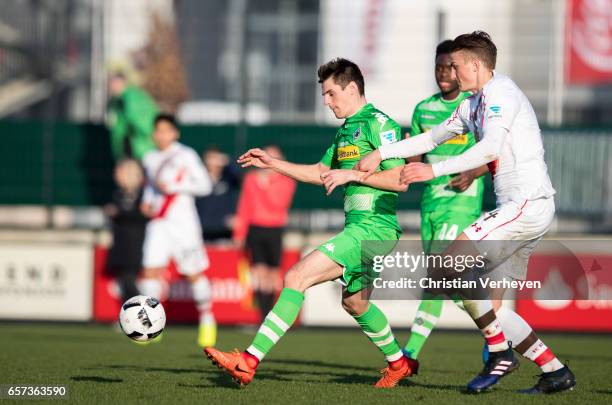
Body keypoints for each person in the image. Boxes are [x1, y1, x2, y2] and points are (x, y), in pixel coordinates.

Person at [356, 31, 576, 394]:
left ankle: (498, 353)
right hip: (521, 209)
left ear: (475, 65)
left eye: (456, 66)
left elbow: (490, 147)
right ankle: (555, 371)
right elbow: (430, 139)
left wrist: (433, 170)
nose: (451, 73)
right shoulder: (472, 103)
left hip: (525, 205)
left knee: (445, 266)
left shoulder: (500, 94)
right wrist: (382, 153)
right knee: (491, 308)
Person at [205, 58, 417, 388]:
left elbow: (401, 179)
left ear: (352, 88)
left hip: (374, 227)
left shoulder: (379, 123)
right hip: (361, 229)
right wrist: (273, 163)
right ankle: (399, 362)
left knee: (296, 276)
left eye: (331, 93)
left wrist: (353, 174)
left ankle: (247, 361)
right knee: (355, 303)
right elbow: (320, 172)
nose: (326, 101)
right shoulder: (347, 129)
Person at [403, 40, 488, 362]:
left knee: (438, 276)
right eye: (438, 66)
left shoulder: (472, 105)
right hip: (431, 204)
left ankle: (408, 355)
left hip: (461, 204)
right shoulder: (423, 108)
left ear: (460, 68)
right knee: (449, 287)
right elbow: (415, 156)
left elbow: (494, 151)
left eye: (449, 67)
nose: (442, 72)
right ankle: (501, 335)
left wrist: (473, 173)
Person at [139, 113, 216, 348]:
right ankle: (151, 324)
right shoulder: (150, 158)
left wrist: (175, 186)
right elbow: (151, 188)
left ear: (175, 133)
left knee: (193, 273)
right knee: (151, 271)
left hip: (184, 225)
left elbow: (205, 185)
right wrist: (146, 201)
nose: (161, 135)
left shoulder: (185, 155)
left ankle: (207, 319)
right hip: (158, 223)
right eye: (158, 130)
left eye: (166, 130)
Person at [233, 145, 297, 319]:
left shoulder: (287, 180)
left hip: (275, 229)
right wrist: (239, 233)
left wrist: (266, 185)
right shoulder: (251, 178)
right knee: (258, 272)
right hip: (256, 228)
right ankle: (262, 315)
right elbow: (244, 206)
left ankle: (269, 314)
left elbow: (279, 204)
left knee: (273, 274)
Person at [105, 159, 149, 305]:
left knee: (130, 281)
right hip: (120, 244)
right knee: (124, 281)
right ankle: (130, 314)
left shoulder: (144, 194)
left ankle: (143, 310)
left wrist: (120, 213)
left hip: (135, 244)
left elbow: (143, 215)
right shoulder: (118, 194)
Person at [106, 72, 158, 162]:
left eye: (115, 83)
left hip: (141, 147)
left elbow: (138, 121)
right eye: (111, 83)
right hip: (128, 148)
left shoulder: (131, 97)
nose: (112, 86)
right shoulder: (116, 101)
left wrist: (150, 137)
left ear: (123, 83)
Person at [196, 146, 242, 241]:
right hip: (202, 231)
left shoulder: (228, 179)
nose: (214, 162)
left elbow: (240, 176)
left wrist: (228, 161)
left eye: (216, 158)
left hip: (224, 231)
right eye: (211, 158)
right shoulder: (198, 180)